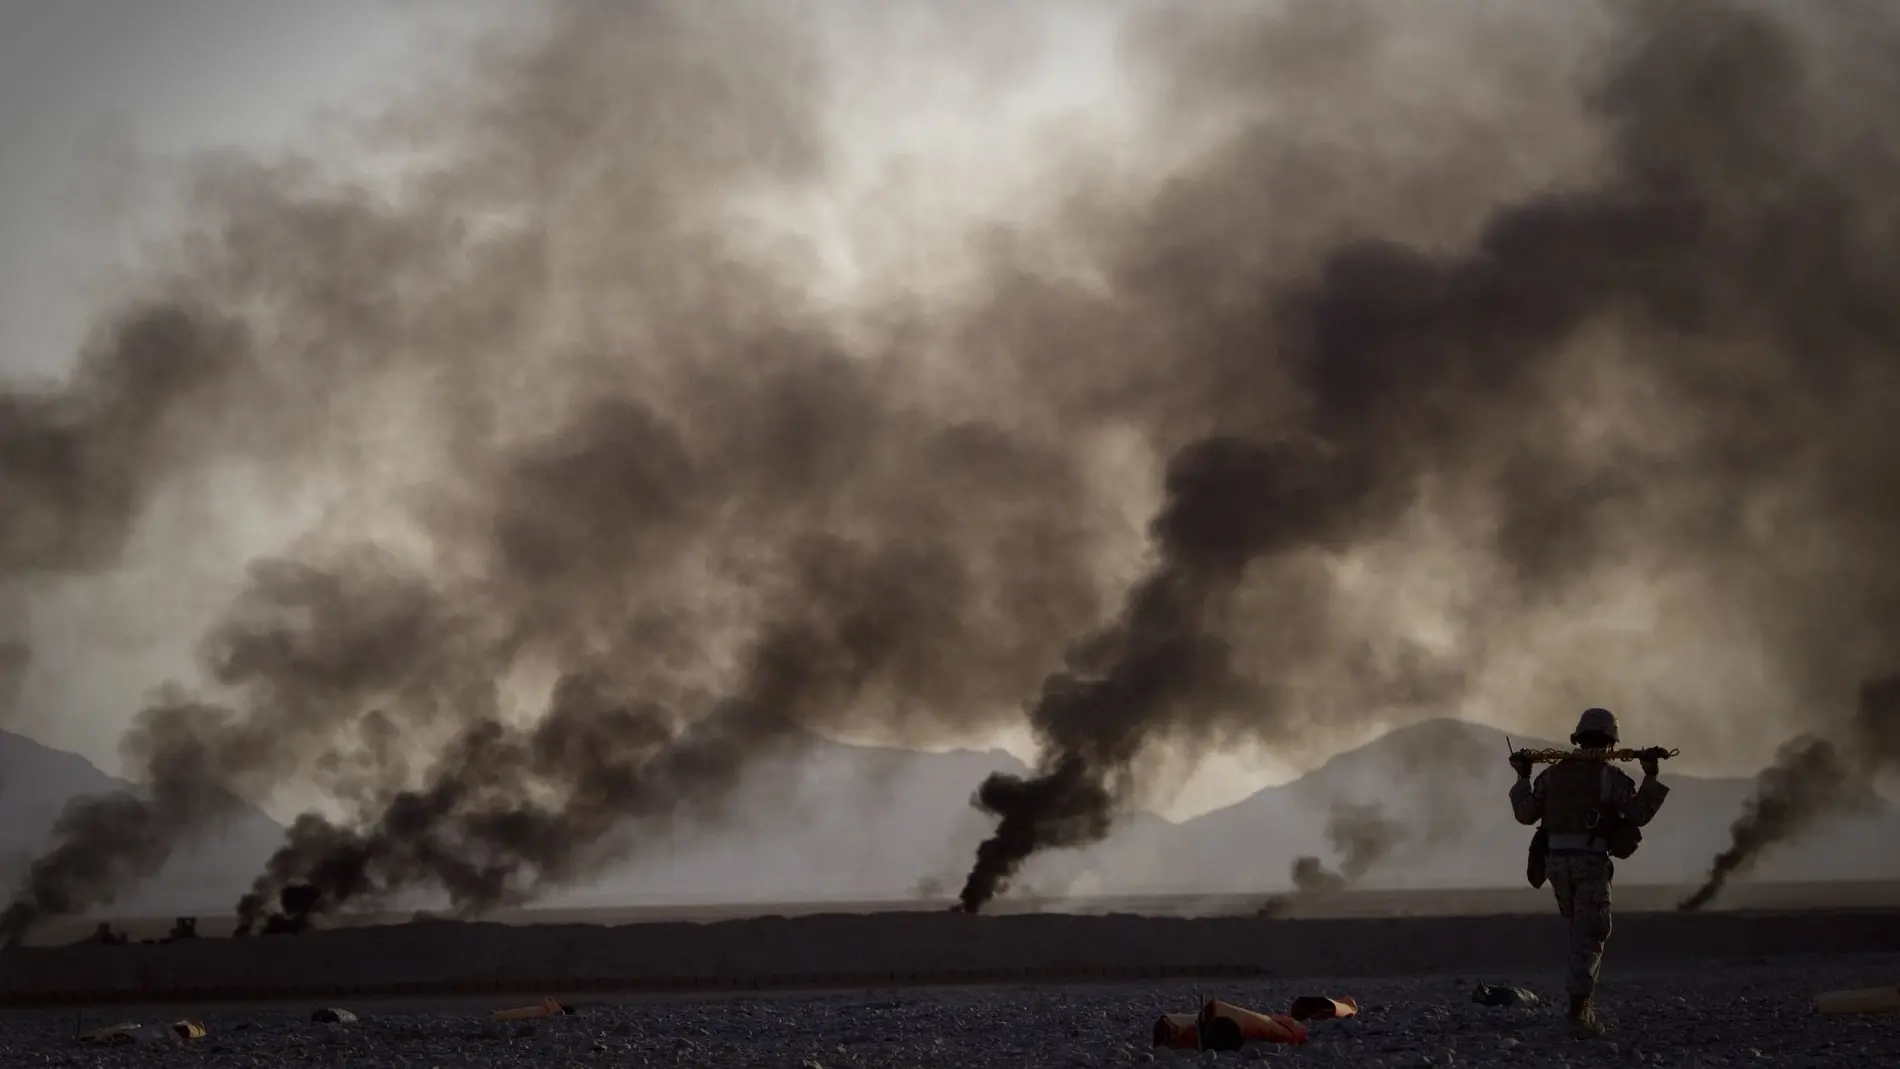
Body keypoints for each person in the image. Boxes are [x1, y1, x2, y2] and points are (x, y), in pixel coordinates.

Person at [1509, 707, 1668, 1038]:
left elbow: (1526, 814)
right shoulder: (1611, 778)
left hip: (1556, 864)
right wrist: (1650, 775)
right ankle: (1578, 1013)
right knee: (1590, 933)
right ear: (1612, 744)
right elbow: (1638, 814)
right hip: (1589, 862)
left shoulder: (1551, 775)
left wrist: (1523, 778)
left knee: (1579, 930)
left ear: (1575, 739)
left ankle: (1578, 1003)